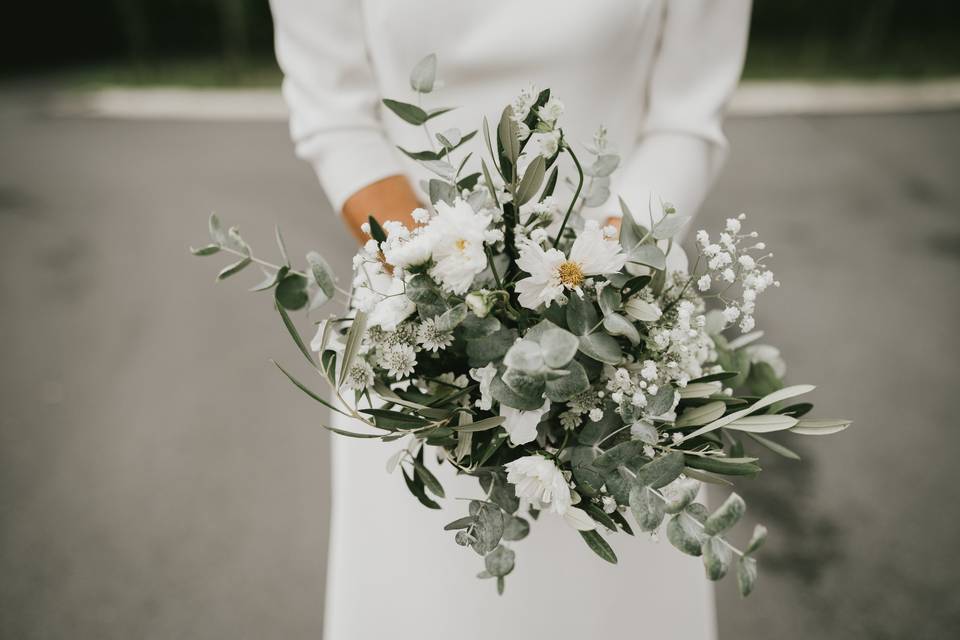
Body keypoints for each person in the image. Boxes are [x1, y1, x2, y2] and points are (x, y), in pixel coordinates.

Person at [268, 1, 751, 637]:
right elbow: (335, 112)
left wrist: (592, 292)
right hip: (420, 341)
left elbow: (687, 114)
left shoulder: (612, 307)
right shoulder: (428, 307)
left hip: (622, 337)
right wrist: (444, 284)